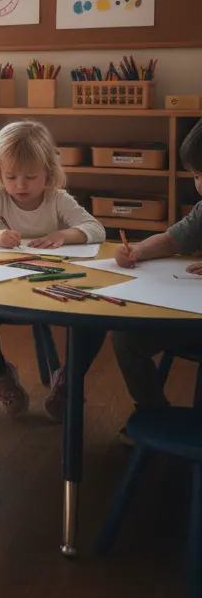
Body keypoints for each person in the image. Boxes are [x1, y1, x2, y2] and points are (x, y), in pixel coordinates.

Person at [0, 120, 105, 420]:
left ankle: (69, 380)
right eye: (10, 176)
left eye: (30, 177)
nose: (20, 185)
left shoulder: (57, 198)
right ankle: (1, 375)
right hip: (5, 289)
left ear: (49, 173)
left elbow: (96, 229)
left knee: (98, 320)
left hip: (54, 288)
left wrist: (64, 235)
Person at [112, 119, 202, 423]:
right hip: (192, 316)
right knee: (126, 338)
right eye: (195, 175)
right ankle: (154, 414)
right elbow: (171, 240)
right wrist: (136, 251)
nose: (200, 185)